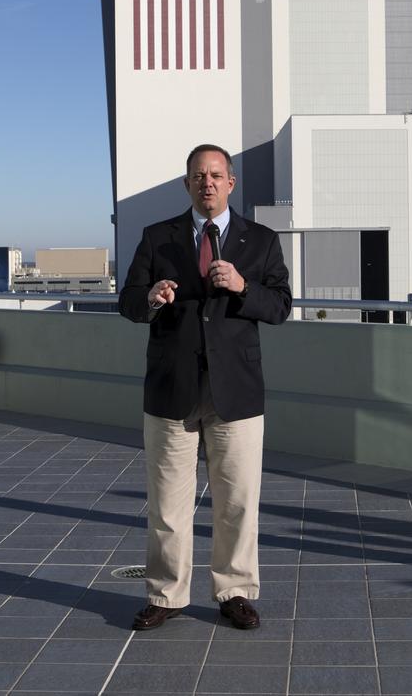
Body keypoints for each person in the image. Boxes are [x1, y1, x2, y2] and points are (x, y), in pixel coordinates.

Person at [119, 144, 292, 631]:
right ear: (187, 184)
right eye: (199, 175)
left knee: (237, 502)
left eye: (216, 175)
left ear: (231, 183)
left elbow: (280, 306)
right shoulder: (158, 238)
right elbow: (128, 302)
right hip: (171, 390)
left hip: (235, 392)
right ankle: (166, 595)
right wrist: (151, 297)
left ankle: (235, 591)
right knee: (167, 504)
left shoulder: (260, 241)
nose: (208, 183)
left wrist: (241, 286)